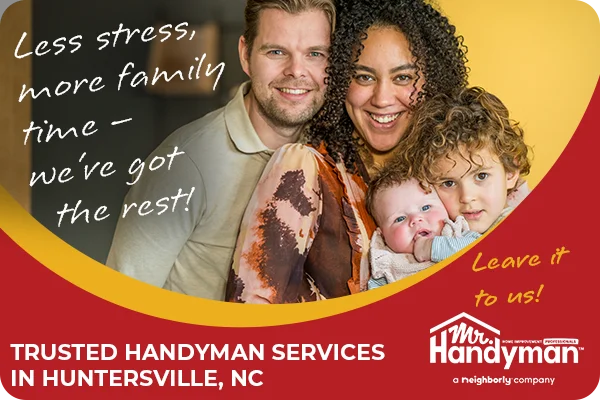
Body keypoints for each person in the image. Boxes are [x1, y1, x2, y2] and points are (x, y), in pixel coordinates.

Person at [226, 0, 469, 303]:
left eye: (403, 77)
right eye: (364, 77)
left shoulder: (455, 168)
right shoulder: (303, 169)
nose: (382, 99)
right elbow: (251, 307)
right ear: (339, 79)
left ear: (433, 81)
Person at [105, 0, 336, 300]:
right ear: (245, 55)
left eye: (315, 54)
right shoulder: (182, 164)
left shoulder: (333, 156)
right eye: (276, 51)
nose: (296, 71)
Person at [395, 86, 532, 262]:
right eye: (448, 183)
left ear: (511, 172)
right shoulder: (443, 227)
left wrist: (431, 247)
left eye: (481, 176)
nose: (466, 197)